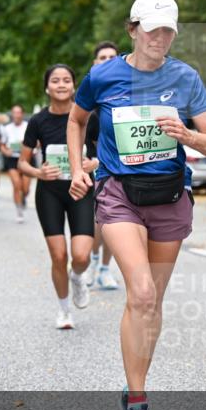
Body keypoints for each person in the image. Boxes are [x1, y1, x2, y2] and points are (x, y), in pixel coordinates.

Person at [69, 0, 206, 410]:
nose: (160, 38)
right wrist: (80, 167)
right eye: (153, 29)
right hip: (119, 194)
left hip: (170, 195)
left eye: (168, 31)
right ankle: (138, 404)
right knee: (139, 291)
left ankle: (132, 388)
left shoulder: (185, 77)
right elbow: (77, 121)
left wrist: (187, 134)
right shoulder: (103, 76)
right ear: (133, 29)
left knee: (151, 301)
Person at [20, 65, 99, 329]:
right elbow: (22, 163)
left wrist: (93, 164)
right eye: (55, 80)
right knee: (58, 255)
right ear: (47, 87)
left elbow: (108, 153)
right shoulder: (38, 121)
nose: (62, 84)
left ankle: (77, 276)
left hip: (82, 190)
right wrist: (38, 172)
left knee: (80, 256)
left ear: (74, 86)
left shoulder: (90, 118)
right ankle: (64, 310)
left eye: (67, 80)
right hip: (50, 192)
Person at [86, 40, 121, 290]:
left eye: (113, 57)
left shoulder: (129, 95)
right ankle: (92, 261)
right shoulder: (89, 101)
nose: (108, 61)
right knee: (96, 224)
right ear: (94, 64)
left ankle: (105, 268)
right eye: (103, 57)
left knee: (113, 223)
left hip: (122, 171)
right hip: (93, 170)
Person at [0, 104, 31, 223]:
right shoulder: (6, 128)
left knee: (26, 188)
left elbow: (37, 143)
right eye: (14, 112)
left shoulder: (28, 126)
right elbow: (2, 145)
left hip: (27, 158)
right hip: (12, 159)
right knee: (17, 185)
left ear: (22, 114)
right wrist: (6, 152)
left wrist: (28, 145)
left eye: (19, 112)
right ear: (12, 114)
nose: (16, 115)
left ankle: (23, 198)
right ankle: (19, 211)